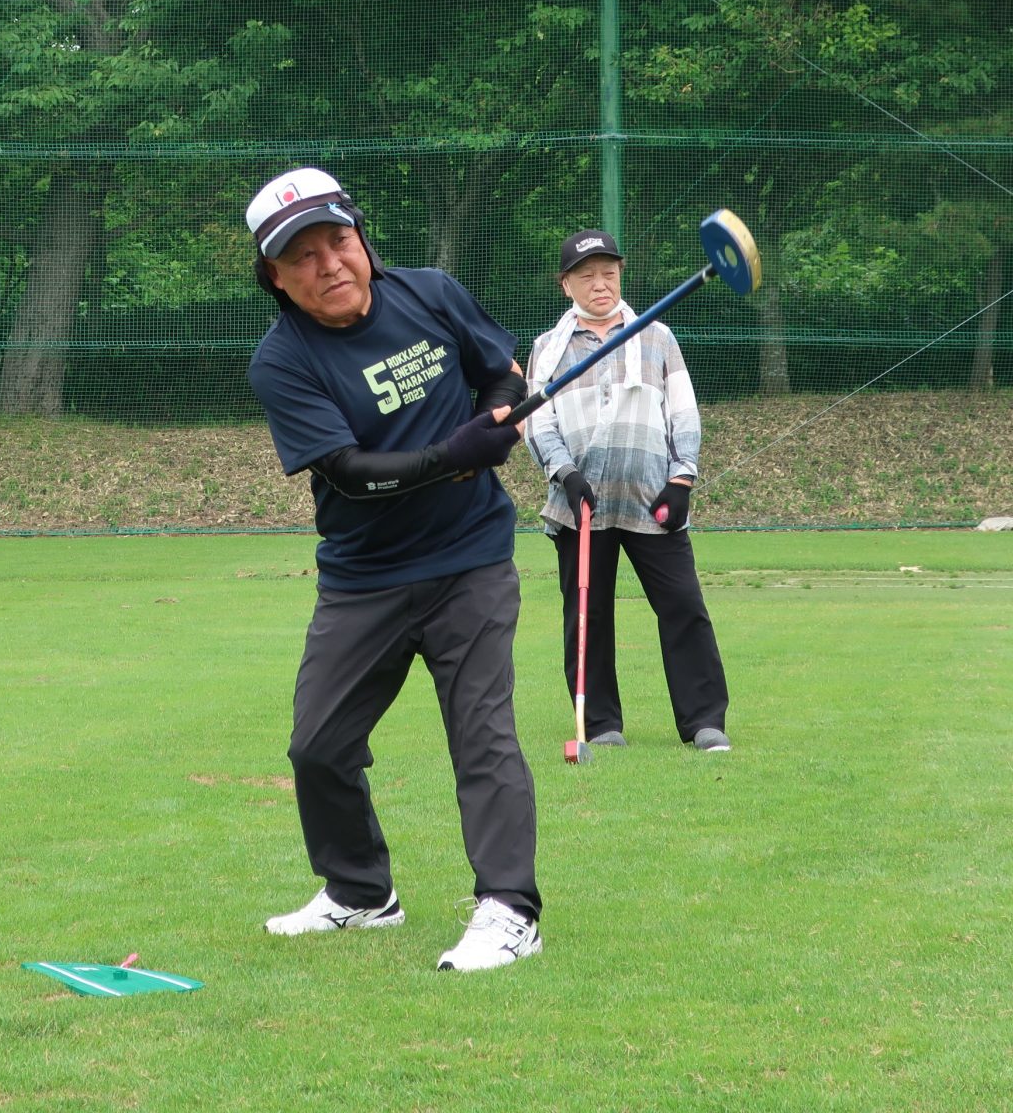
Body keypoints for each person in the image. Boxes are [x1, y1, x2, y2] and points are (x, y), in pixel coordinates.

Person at [243, 167, 542, 973]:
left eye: (337, 241)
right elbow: (347, 471)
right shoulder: (282, 361)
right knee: (318, 747)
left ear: (362, 239)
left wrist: (500, 417)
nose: (328, 264)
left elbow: (502, 372)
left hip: (470, 560)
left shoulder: (431, 294)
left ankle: (510, 909)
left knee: (481, 735)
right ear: (275, 278)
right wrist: (454, 453)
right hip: (363, 577)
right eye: (301, 257)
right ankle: (360, 893)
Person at [523, 228, 732, 752]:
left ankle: (704, 721)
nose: (600, 284)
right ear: (565, 284)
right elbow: (539, 421)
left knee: (683, 606)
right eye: (587, 276)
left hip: (652, 500)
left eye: (609, 273)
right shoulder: (548, 349)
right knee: (587, 616)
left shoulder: (656, 336)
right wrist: (565, 474)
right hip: (581, 505)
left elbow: (683, 411)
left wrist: (681, 478)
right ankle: (600, 725)